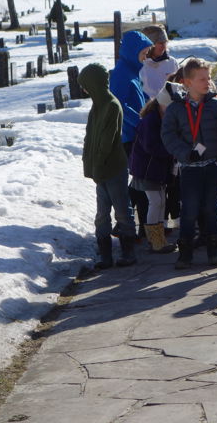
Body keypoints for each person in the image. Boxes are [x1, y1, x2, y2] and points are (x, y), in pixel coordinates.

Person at [161, 58, 217, 269]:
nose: (207, 82)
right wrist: (185, 153)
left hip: (213, 166)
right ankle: (185, 254)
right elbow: (168, 135)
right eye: (202, 79)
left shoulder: (216, 105)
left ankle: (214, 251)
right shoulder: (175, 108)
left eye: (208, 78)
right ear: (187, 82)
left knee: (211, 208)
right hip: (189, 169)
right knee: (189, 210)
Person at [78, 63, 136, 268]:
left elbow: (106, 141)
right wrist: (88, 162)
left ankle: (129, 252)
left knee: (122, 211)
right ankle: (105, 255)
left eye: (86, 85)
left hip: (112, 167)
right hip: (99, 169)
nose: (84, 90)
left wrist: (98, 164)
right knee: (102, 215)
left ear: (94, 84)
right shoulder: (96, 106)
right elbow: (90, 137)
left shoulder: (111, 105)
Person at [110, 30, 154, 239]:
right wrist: (140, 122)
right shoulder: (121, 73)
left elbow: (139, 96)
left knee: (141, 181)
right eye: (143, 53)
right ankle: (138, 226)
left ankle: (130, 224)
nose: (145, 57)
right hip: (130, 135)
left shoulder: (132, 71)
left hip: (137, 132)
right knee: (142, 182)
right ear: (131, 51)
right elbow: (119, 105)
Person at [129, 81, 183, 254]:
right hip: (148, 170)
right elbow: (151, 147)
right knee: (156, 202)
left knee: (160, 202)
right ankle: (155, 241)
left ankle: (158, 240)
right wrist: (172, 149)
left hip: (156, 169)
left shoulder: (161, 117)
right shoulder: (150, 120)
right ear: (163, 104)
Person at [139, 25, 180, 99]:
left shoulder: (171, 62)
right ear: (150, 44)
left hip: (168, 104)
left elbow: (179, 87)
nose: (163, 46)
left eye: (165, 43)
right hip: (147, 105)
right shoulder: (140, 64)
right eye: (160, 43)